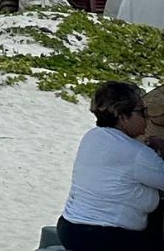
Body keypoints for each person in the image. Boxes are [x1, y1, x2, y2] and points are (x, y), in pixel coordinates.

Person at [59, 81, 164, 249]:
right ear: (122, 116)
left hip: (70, 229)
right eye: (142, 112)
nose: (147, 117)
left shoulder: (92, 136)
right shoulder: (136, 153)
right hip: (105, 236)